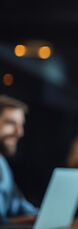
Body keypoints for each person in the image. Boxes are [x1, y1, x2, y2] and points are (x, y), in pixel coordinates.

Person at [0, 95, 37, 225]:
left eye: (21, 125)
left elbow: (19, 204)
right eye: (11, 123)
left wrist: (41, 215)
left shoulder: (2, 163)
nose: (19, 132)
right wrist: (26, 220)